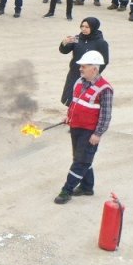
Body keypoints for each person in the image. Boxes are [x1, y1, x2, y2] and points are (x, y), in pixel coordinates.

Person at [54, 50, 111, 204]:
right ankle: (87, 187)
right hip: (75, 127)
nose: (80, 69)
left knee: (80, 161)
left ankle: (67, 190)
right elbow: (74, 103)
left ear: (94, 68)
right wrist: (69, 117)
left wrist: (98, 134)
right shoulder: (79, 82)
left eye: (84, 66)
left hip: (90, 131)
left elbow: (106, 115)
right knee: (81, 159)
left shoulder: (104, 89)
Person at [58, 17, 109, 106]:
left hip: (88, 76)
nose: (83, 29)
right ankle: (69, 117)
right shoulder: (77, 38)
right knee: (70, 98)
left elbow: (104, 61)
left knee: (82, 100)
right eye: (82, 26)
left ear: (93, 28)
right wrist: (64, 43)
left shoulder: (101, 43)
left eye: (87, 27)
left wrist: (93, 74)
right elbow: (64, 51)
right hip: (74, 74)